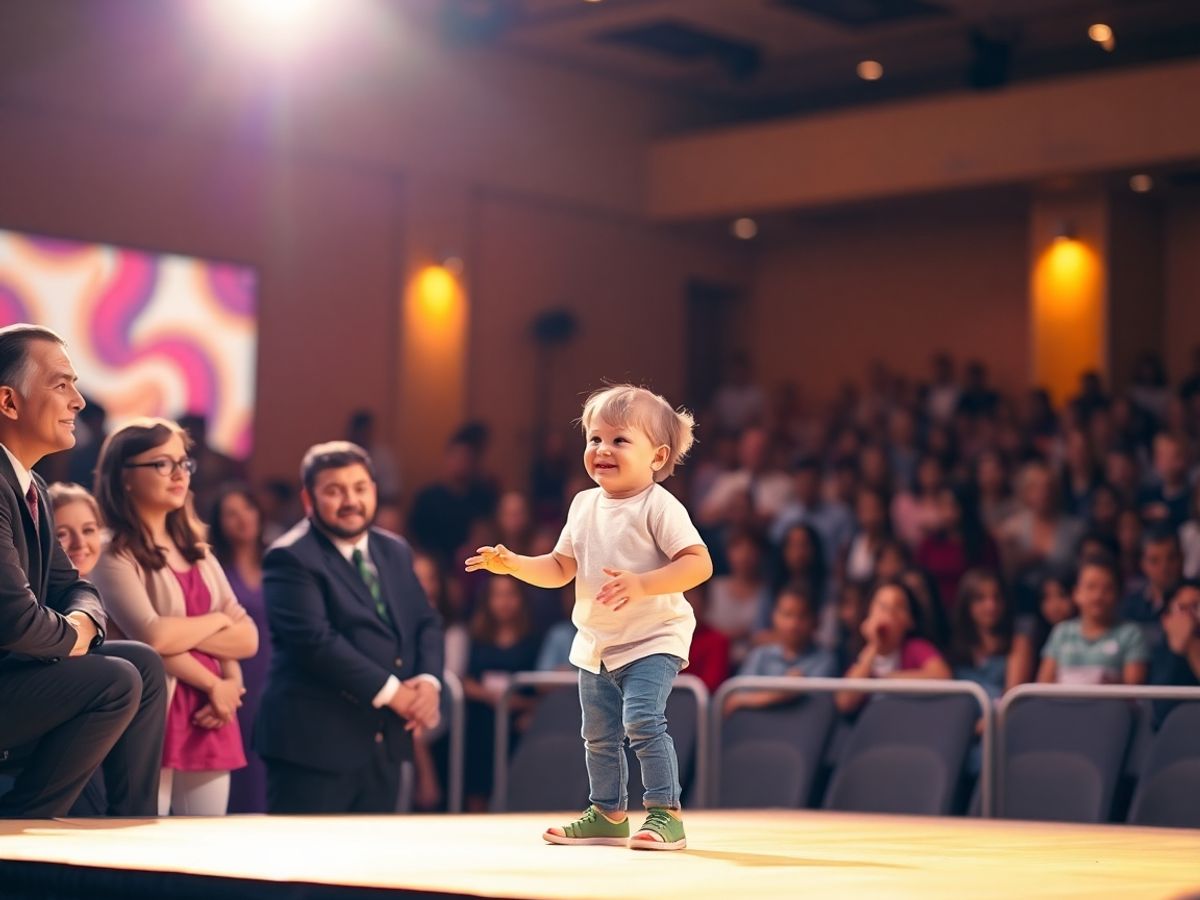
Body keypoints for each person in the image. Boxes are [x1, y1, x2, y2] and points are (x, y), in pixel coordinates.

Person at [467, 384, 712, 850]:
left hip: (652, 637)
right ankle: (608, 812)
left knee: (642, 721)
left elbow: (699, 564)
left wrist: (642, 583)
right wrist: (516, 562)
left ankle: (665, 813)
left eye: (620, 440)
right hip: (598, 640)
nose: (602, 449)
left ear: (657, 458)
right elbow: (561, 568)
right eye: (595, 439)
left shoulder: (658, 505)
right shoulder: (582, 505)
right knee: (597, 733)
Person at [0, 325, 165, 818]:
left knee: (143, 664)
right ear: (8, 402)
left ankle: (132, 825)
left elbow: (75, 587)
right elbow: (16, 623)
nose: (78, 401)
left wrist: (85, 626)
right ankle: (22, 834)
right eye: (61, 384)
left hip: (18, 670)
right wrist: (75, 637)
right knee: (114, 679)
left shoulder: (34, 488)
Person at [256, 441, 444, 814]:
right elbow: (315, 643)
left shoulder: (395, 549)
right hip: (313, 746)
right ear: (308, 498)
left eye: (359, 488)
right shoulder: (289, 556)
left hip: (384, 742)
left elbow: (425, 621)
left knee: (371, 868)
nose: (350, 500)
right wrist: (396, 694)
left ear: (373, 490)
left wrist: (428, 682)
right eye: (334, 490)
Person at [91, 418, 259, 815]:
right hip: (154, 713)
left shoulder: (198, 551)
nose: (179, 474)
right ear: (125, 477)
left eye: (184, 463)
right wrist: (218, 622)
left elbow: (248, 637)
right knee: (148, 844)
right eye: (162, 464)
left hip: (211, 713)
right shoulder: (112, 552)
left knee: (207, 848)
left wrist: (229, 685)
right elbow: (152, 639)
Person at [209, 485, 270, 814]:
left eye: (246, 508)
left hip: (276, 674)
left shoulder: (277, 563)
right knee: (244, 771)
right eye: (230, 514)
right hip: (236, 673)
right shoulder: (215, 569)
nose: (242, 518)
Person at [461, 575, 541, 811]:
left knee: (518, 782)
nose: (504, 602)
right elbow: (464, 679)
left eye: (511, 594)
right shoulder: (475, 636)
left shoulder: (533, 640)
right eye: (497, 595)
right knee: (477, 782)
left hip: (519, 724)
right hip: (480, 721)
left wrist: (520, 704)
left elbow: (541, 689)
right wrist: (492, 697)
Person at [835, 579, 952, 715]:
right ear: (868, 613)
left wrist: (884, 680)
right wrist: (874, 645)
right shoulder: (860, 654)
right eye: (882, 606)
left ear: (910, 621)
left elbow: (942, 676)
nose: (889, 613)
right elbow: (844, 702)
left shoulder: (916, 648)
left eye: (899, 607)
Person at [724, 587, 837, 716]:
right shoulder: (760, 655)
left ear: (816, 621)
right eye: (787, 614)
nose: (793, 624)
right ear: (774, 617)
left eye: (802, 616)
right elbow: (732, 702)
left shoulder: (825, 660)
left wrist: (749, 700)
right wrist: (783, 691)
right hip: (755, 731)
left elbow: (815, 709)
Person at [1037, 555, 1148, 685]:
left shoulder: (1131, 634)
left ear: (1119, 594)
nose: (1098, 596)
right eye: (1091, 587)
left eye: (1107, 588)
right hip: (1063, 705)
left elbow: (1134, 689)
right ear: (1076, 593)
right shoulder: (1062, 632)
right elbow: (1043, 685)